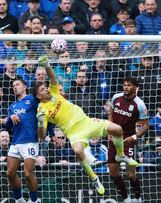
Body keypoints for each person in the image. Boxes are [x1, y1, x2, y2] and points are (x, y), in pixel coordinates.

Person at [33, 55, 138, 196]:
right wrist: (40, 123)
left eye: (45, 88)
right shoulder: (41, 110)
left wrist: (46, 65)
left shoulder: (54, 93)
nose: (45, 89)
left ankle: (120, 155)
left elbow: (52, 77)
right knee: (77, 150)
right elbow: (41, 135)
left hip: (85, 121)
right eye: (42, 90)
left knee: (117, 129)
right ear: (38, 96)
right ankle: (94, 178)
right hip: (73, 132)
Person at [108, 77, 149, 202]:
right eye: (124, 85)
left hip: (128, 141)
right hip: (114, 139)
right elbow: (110, 113)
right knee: (113, 173)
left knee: (131, 174)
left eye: (129, 85)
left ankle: (138, 198)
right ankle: (126, 199)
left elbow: (146, 125)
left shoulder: (140, 105)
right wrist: (109, 128)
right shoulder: (116, 97)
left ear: (135, 87)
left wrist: (134, 137)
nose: (126, 87)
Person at [5, 79, 40, 203]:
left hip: (30, 141)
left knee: (28, 174)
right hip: (16, 142)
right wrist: (10, 117)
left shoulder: (32, 99)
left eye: (17, 84)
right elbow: (7, 127)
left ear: (24, 86)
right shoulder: (12, 106)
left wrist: (49, 133)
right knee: (9, 173)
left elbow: (44, 113)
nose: (15, 87)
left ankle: (34, 200)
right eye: (13, 86)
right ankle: (19, 200)